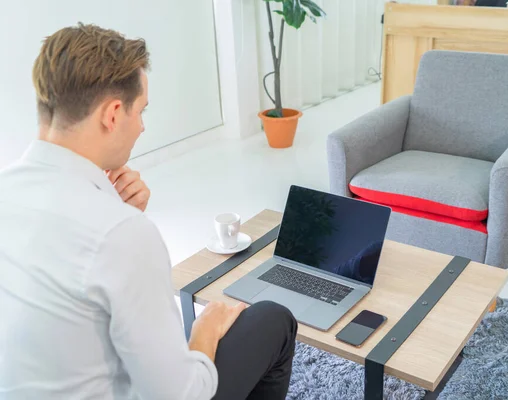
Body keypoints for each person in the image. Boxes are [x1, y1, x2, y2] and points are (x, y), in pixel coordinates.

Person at [0, 23, 297, 400]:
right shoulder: (122, 234)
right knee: (273, 319)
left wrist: (109, 206)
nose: (142, 127)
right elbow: (183, 395)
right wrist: (203, 333)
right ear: (112, 114)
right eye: (141, 111)